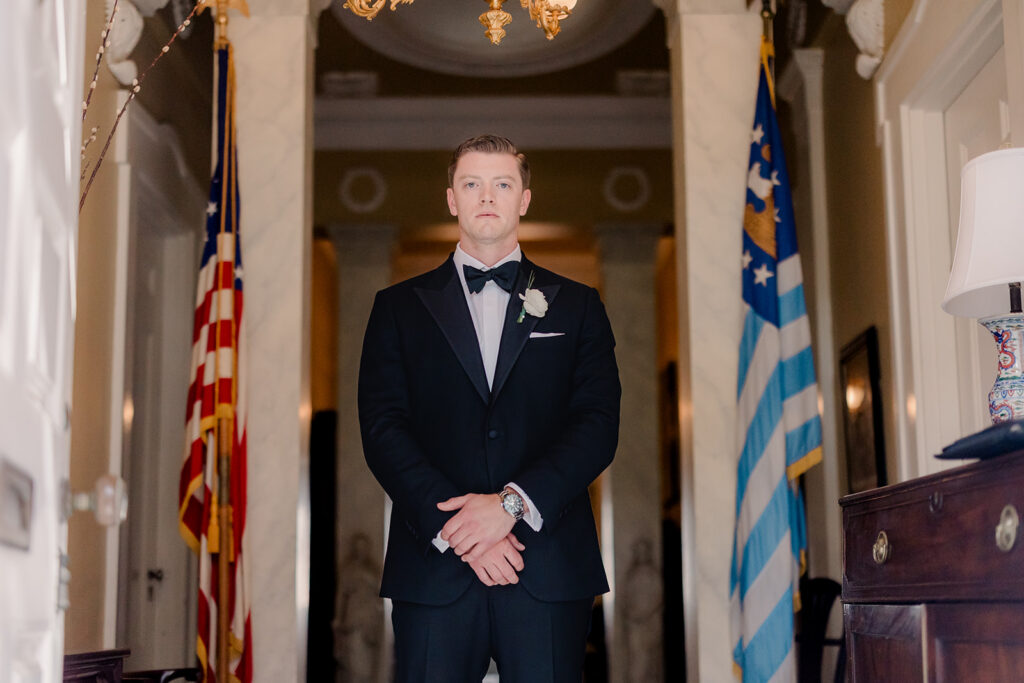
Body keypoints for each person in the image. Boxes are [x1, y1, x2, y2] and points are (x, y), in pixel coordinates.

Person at [357, 134, 620, 682]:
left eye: (502, 184)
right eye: (471, 183)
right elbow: (383, 429)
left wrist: (511, 505)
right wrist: (461, 529)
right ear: (451, 198)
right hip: (434, 568)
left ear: (524, 198)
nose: (487, 197)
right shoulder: (397, 309)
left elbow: (596, 424)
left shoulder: (580, 305)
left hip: (546, 567)